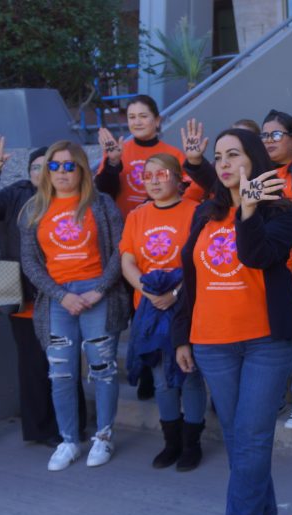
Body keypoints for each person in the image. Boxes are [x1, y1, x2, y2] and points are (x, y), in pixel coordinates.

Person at [171, 128, 292, 515]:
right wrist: (182, 336)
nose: (224, 163)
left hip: (266, 341)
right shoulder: (205, 212)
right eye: (219, 156)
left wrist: (247, 211)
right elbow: (190, 278)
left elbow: (257, 257)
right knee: (237, 438)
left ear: (256, 160)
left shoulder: (283, 211)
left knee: (251, 438)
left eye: (235, 155)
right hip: (211, 343)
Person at [182, 112, 292, 431]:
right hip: (223, 322)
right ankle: (271, 398)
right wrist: (197, 163)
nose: (270, 141)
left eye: (275, 135)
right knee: (238, 429)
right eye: (265, 136)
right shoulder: (216, 206)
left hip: (284, 274)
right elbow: (225, 185)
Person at [0, 136, 89, 445]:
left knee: (66, 362)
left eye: (47, 166)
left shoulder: (70, 197)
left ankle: (72, 424)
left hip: (64, 295)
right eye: (37, 166)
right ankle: (41, 429)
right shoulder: (16, 194)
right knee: (33, 366)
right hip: (24, 298)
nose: (42, 171)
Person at [19, 140, 129, 471]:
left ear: (81, 169)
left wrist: (98, 291)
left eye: (70, 165)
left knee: (103, 369)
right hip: (57, 299)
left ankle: (104, 437)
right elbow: (30, 263)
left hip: (98, 293)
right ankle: (69, 441)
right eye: (54, 165)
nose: (62, 172)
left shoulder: (101, 204)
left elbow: (120, 251)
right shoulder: (33, 209)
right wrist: (61, 295)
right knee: (61, 373)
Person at [96, 94, 205, 400]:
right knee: (140, 309)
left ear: (158, 120)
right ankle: (146, 369)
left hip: (172, 230)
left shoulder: (173, 153)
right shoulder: (119, 150)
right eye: (131, 117)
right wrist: (113, 163)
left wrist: (169, 210)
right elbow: (104, 191)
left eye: (143, 116)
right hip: (133, 233)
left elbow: (193, 190)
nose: (137, 122)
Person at [119, 153, 206, 470]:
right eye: (147, 176)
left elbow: (200, 262)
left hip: (186, 306)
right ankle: (171, 441)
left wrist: (174, 294)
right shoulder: (137, 216)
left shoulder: (196, 212)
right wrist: (149, 292)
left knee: (190, 376)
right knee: (161, 380)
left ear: (178, 177)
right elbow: (127, 260)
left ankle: (192, 443)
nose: (153, 181)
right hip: (150, 309)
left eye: (161, 174)